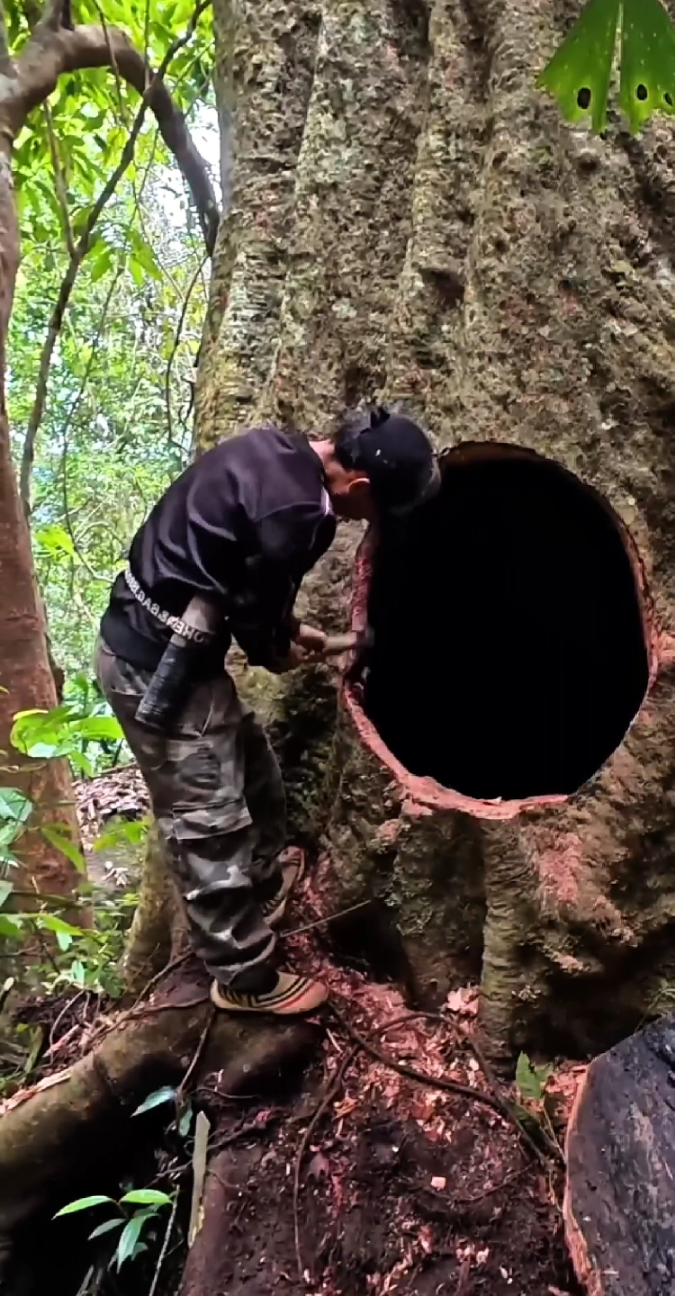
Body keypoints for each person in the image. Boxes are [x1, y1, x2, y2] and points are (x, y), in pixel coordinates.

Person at [96, 407, 439, 1015]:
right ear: (359, 487)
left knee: (256, 777)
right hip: (153, 667)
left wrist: (291, 631)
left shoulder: (273, 452)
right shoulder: (301, 514)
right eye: (377, 510)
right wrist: (279, 647)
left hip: (176, 646)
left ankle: (258, 887)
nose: (371, 524)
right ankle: (243, 976)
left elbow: (240, 579)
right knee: (208, 821)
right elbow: (258, 621)